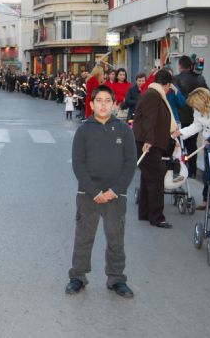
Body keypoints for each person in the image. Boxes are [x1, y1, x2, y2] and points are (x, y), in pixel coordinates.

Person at [66, 85, 137, 298]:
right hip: (88, 194)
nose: (103, 104)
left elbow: (130, 163)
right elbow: (78, 164)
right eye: (99, 100)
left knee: (116, 238)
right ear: (91, 104)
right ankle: (77, 277)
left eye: (108, 101)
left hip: (116, 195)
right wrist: (94, 191)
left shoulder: (124, 130)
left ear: (114, 104)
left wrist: (115, 190)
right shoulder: (83, 130)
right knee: (84, 237)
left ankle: (116, 278)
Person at [132, 69, 180, 230]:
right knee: (156, 180)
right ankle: (157, 217)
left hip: (148, 142)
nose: (168, 90)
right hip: (148, 144)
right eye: (168, 87)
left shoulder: (153, 93)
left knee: (148, 179)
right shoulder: (153, 95)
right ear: (166, 84)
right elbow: (149, 120)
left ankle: (145, 213)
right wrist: (149, 140)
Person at [180, 88, 210, 210]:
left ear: (201, 101)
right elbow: (196, 126)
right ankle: (207, 200)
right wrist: (180, 133)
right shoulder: (198, 111)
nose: (194, 108)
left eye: (194, 105)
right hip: (208, 145)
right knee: (207, 175)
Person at [174, 55, 208, 178]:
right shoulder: (199, 79)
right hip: (195, 116)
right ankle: (192, 170)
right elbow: (206, 94)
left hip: (178, 117)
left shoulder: (175, 79)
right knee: (192, 145)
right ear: (191, 66)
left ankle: (178, 169)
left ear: (180, 66)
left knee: (177, 145)